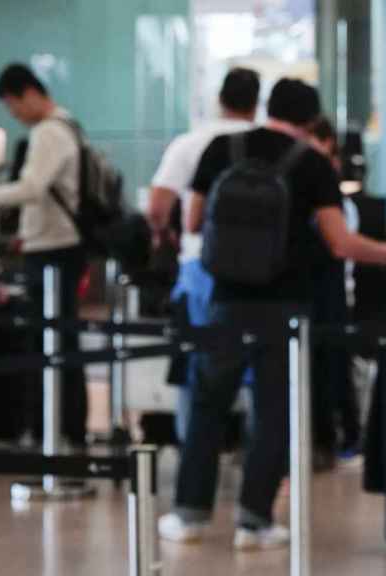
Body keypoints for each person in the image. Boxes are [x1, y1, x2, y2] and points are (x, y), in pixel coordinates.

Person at [158, 79, 386, 550]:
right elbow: (341, 243)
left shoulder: (221, 148)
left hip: (224, 300)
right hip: (286, 304)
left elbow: (191, 221)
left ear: (267, 107)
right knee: (275, 412)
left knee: (210, 404)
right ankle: (254, 521)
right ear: (312, 121)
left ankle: (190, 515)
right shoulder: (312, 164)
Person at [147, 67, 261, 443]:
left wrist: (167, 236)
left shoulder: (189, 143)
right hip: (261, 272)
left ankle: (194, 458)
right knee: (260, 369)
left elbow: (158, 206)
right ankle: (259, 460)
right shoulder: (266, 145)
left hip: (200, 266)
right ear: (256, 102)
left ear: (219, 99)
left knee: (197, 367)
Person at [0, 64, 88, 447]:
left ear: (27, 93)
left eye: (12, 106)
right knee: (60, 340)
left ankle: (54, 429)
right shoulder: (69, 125)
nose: (15, 116)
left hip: (53, 250)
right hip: (60, 246)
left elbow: (32, 188)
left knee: (50, 342)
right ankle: (61, 428)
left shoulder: (48, 132)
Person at [308, 117, 362, 469]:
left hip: (331, 290)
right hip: (308, 290)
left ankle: (343, 436)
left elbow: (342, 243)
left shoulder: (335, 195)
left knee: (335, 365)